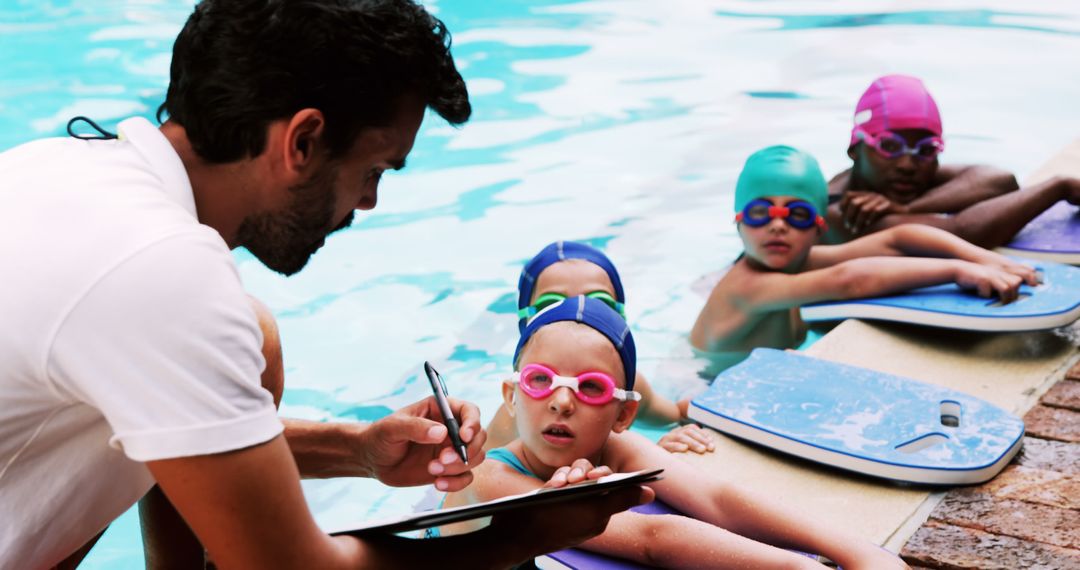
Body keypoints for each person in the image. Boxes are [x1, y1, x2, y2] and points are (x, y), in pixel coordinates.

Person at [0, 2, 648, 568]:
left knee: (257, 334)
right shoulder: (163, 274)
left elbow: (197, 419)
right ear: (305, 141)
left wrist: (360, 451)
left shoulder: (59, 167)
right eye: (374, 169)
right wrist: (521, 534)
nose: (368, 200)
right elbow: (294, 566)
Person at [437, 296, 909, 568]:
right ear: (512, 394)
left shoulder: (614, 446)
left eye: (591, 387)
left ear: (623, 415)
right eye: (541, 380)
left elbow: (717, 500)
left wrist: (854, 551)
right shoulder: (488, 480)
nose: (562, 400)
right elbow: (654, 538)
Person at [690, 145, 1038, 369]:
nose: (777, 226)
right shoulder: (746, 285)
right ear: (738, 224)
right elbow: (849, 279)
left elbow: (895, 239)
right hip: (699, 384)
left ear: (819, 227)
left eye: (797, 215)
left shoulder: (799, 263)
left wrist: (980, 259)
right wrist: (956, 271)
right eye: (759, 214)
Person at [484, 241, 714, 454]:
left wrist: (671, 441)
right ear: (526, 321)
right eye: (552, 304)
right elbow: (482, 483)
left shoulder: (628, 387)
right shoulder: (522, 412)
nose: (577, 315)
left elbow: (676, 415)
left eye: (598, 302)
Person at [827, 74, 1080, 246]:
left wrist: (909, 209)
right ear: (854, 149)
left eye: (926, 150)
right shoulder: (840, 211)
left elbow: (1000, 181)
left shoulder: (893, 181)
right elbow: (960, 234)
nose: (907, 165)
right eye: (889, 146)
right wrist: (1058, 187)